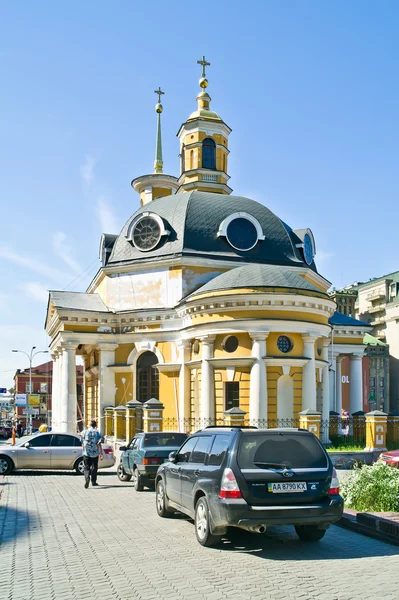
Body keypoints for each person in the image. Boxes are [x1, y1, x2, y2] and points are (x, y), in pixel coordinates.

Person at [81, 420, 103, 488]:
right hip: (95, 452)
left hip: (86, 452)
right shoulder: (98, 432)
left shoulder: (85, 432)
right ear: (95, 425)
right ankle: (93, 481)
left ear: (89, 425)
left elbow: (82, 443)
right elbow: (99, 443)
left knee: (86, 467)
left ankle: (87, 478)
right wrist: (101, 453)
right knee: (94, 467)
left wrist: (83, 451)